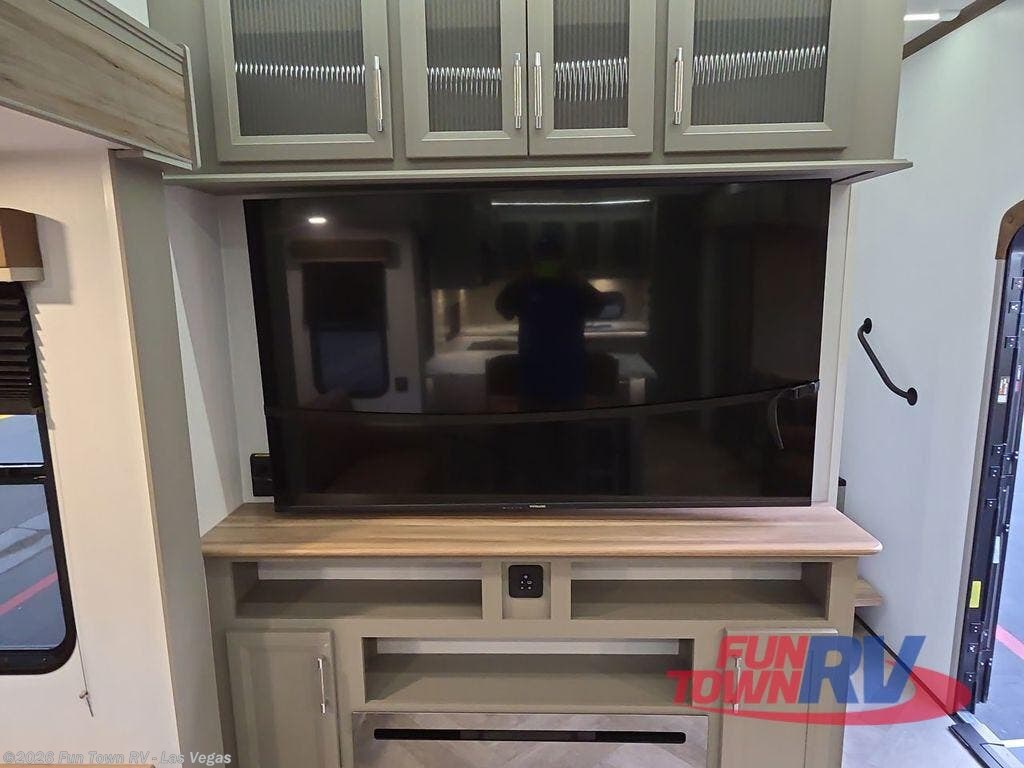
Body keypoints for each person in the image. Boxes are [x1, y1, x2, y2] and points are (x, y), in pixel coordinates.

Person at [496, 237, 607, 408]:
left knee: (560, 418)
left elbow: (598, 306)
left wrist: (576, 278)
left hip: (562, 373)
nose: (548, 266)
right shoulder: (525, 286)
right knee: (541, 418)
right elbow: (503, 307)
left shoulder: (573, 285)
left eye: (552, 260)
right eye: (543, 261)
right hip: (542, 373)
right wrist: (521, 278)